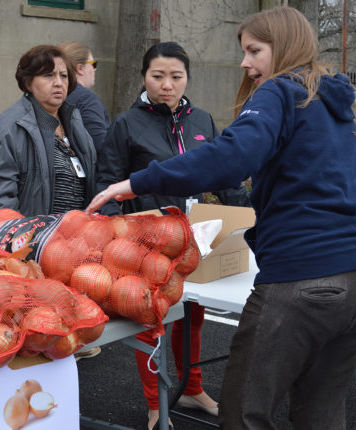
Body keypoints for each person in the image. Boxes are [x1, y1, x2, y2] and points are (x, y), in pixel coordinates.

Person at [87, 7, 356, 430]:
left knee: (243, 415)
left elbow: (231, 159)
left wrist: (134, 183)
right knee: (321, 414)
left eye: (254, 51)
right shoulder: (334, 104)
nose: (245, 62)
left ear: (284, 47)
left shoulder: (280, 91)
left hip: (299, 280)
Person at [95, 41, 250, 430]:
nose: (167, 84)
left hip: (194, 238)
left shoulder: (202, 120)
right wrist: (116, 241)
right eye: (158, 76)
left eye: (176, 76)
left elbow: (225, 174)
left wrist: (249, 215)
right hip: (143, 244)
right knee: (152, 321)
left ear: (187, 79)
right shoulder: (126, 124)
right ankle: (155, 404)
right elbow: (107, 183)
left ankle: (193, 388)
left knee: (192, 316)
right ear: (144, 77)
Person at [0, 44, 97, 216]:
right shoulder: (7, 130)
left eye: (64, 76)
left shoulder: (75, 125)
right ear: (28, 82)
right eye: (48, 75)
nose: (58, 83)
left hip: (76, 238)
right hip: (32, 240)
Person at [59, 40, 111, 153]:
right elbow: (101, 144)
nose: (95, 69)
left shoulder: (56, 95)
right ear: (80, 68)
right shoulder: (86, 99)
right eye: (93, 64)